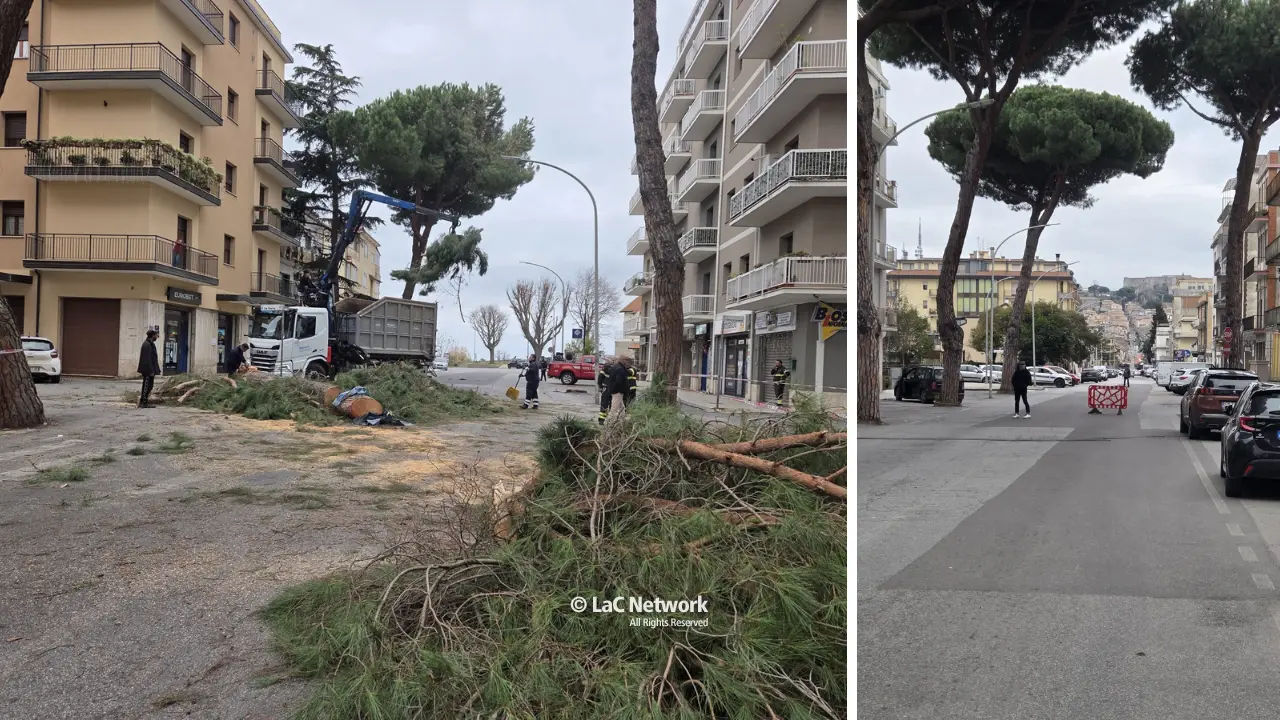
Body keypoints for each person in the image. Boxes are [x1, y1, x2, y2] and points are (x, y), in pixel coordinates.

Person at [137, 328, 161, 409]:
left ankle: (144, 401)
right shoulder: (147, 344)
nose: (157, 337)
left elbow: (153, 358)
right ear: (152, 335)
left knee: (149, 386)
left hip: (150, 369)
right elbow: (147, 359)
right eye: (156, 335)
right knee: (147, 386)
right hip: (147, 370)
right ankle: (143, 403)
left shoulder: (150, 344)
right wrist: (150, 371)